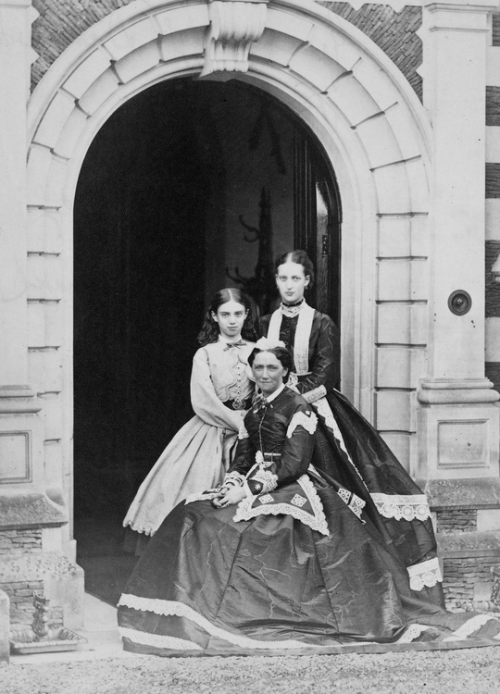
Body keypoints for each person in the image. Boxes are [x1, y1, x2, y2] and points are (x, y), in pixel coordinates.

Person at [118, 342, 500, 655]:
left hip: (293, 485)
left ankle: (244, 608)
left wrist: (249, 489)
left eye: (272, 368)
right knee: (194, 511)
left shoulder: (297, 406)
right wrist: (232, 481)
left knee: (250, 527)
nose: (265, 374)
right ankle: (195, 607)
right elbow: (245, 454)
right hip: (256, 481)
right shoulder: (255, 408)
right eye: (259, 368)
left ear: (285, 371)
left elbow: (294, 463)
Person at [260, 250, 442, 605]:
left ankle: (348, 586)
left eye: (296, 278)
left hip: (315, 411)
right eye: (283, 278)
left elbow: (325, 375)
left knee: (334, 491)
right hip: (273, 415)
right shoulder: (264, 322)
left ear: (308, 281)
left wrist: (289, 402)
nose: (289, 285)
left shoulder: (322, 322)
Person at [122, 288, 256, 542]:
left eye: (238, 314)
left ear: (246, 315)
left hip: (251, 427)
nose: (231, 320)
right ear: (214, 316)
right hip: (211, 429)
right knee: (187, 489)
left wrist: (251, 422)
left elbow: (265, 389)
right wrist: (236, 422)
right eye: (225, 314)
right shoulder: (205, 354)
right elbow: (203, 400)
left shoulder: (257, 350)